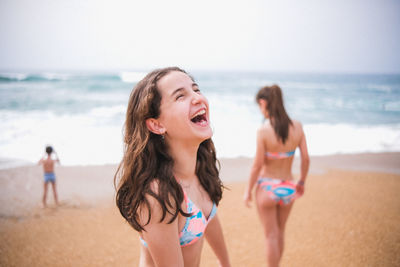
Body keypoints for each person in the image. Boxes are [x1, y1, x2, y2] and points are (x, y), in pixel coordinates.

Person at [114, 67, 231, 267]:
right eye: (180, 96)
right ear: (157, 125)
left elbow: (209, 217)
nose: (197, 98)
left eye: (196, 89)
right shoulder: (158, 195)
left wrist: (225, 263)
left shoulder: (201, 166)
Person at [243, 85, 310, 267]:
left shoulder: (263, 131)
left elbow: (257, 165)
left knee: (270, 236)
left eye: (259, 105)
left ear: (263, 103)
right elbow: (305, 158)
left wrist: (248, 190)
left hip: (267, 188)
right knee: (280, 232)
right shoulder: (297, 126)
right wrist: (302, 181)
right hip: (289, 186)